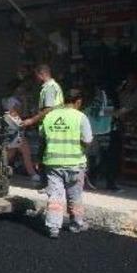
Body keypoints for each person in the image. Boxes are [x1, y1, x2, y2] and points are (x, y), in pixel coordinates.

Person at [40, 89, 93, 239]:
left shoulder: (50, 116)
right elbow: (88, 140)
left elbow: (42, 137)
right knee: (75, 195)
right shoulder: (80, 117)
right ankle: (76, 224)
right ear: (78, 101)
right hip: (75, 163)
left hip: (53, 163)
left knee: (55, 196)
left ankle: (53, 227)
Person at [2, 96, 39, 182]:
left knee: (11, 154)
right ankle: (32, 174)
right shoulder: (9, 114)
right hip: (14, 136)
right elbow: (18, 125)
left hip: (16, 136)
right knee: (25, 152)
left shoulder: (14, 114)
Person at [21, 64, 64, 129]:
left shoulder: (49, 87)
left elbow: (48, 109)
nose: (37, 79)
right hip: (56, 124)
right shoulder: (54, 86)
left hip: (52, 126)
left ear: (41, 75)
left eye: (36, 76)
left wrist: (32, 120)